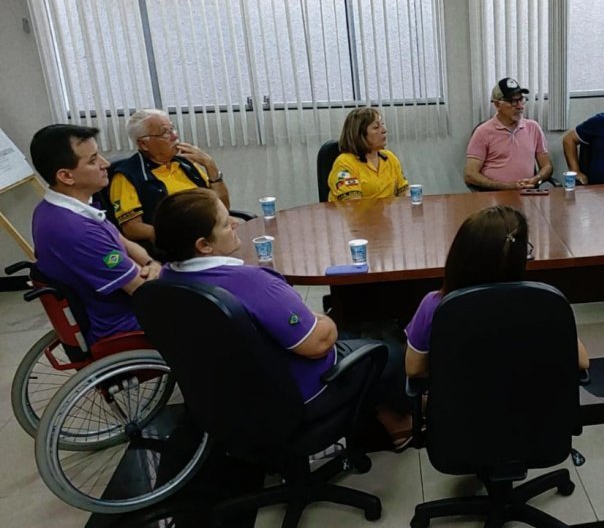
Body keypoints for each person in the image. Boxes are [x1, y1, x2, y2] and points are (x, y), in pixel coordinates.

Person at [154, 188, 414, 448]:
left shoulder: (166, 279)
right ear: (204, 244)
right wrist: (326, 321)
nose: (234, 223)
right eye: (225, 223)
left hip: (225, 398)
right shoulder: (252, 283)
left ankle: (388, 418)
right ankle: (407, 418)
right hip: (294, 395)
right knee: (384, 349)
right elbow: (318, 344)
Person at [405, 205, 589, 378]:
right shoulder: (546, 303)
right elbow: (582, 361)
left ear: (459, 254)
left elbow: (414, 369)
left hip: (461, 408)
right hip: (533, 408)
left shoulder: (436, 305)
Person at [29, 124, 160, 346]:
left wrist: (151, 262)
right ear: (66, 176)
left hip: (127, 304)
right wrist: (158, 271)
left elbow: (123, 242)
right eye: (92, 160)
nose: (105, 164)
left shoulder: (62, 208)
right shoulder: (75, 230)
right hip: (124, 324)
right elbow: (141, 289)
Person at [109, 109, 230, 244]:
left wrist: (210, 166)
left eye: (172, 129)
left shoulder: (185, 163)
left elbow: (223, 207)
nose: (174, 136)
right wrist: (179, 235)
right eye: (165, 133)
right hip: (176, 246)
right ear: (143, 144)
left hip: (209, 236)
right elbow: (132, 229)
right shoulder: (127, 175)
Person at [464, 78, 553, 191]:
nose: (520, 106)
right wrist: (508, 187)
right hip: (494, 196)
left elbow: (547, 166)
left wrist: (537, 179)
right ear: (497, 104)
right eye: (513, 102)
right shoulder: (483, 132)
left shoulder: (533, 127)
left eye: (521, 100)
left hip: (527, 194)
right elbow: (470, 175)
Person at [328, 107, 410, 202]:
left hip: (387, 215)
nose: (384, 130)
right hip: (359, 216)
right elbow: (353, 206)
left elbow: (404, 193)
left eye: (382, 124)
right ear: (359, 134)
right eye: (376, 127)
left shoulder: (389, 157)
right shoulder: (345, 163)